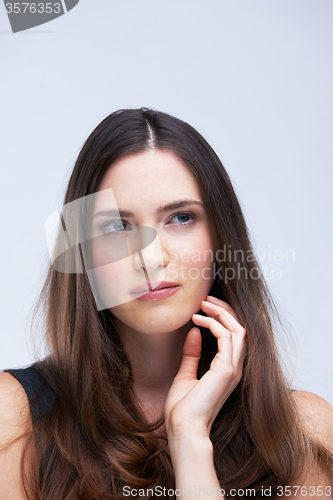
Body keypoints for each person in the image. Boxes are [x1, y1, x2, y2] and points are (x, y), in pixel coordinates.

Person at [0, 108, 332, 500]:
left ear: (221, 236)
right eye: (117, 226)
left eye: (180, 217)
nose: (151, 258)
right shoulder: (14, 416)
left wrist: (191, 443)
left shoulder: (304, 429)